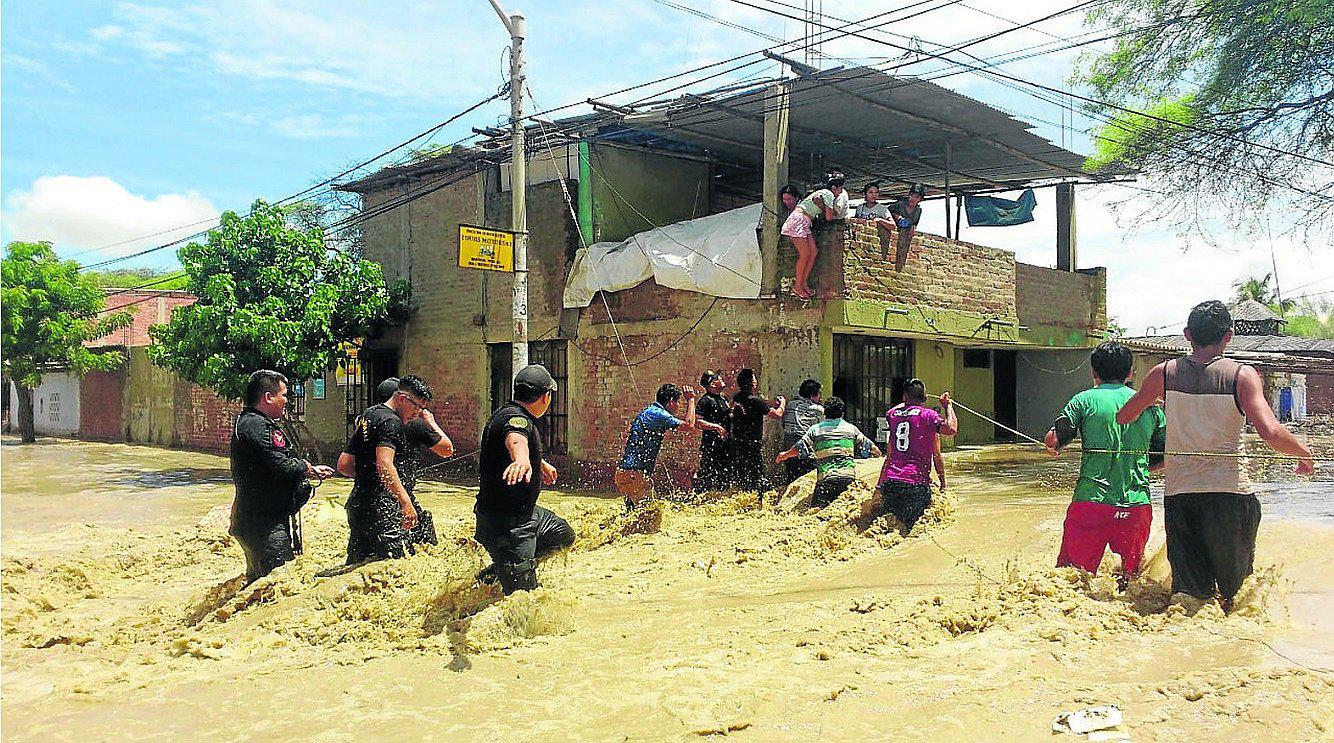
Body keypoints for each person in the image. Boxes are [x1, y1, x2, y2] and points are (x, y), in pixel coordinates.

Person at [1117, 301, 1315, 612]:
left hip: (1181, 496)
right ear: (1229, 336)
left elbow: (1125, 416)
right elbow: (1271, 432)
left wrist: (1159, 403)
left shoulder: (1164, 374)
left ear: (1186, 335)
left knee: (1189, 599)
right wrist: (1303, 452)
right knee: (1237, 598)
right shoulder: (1242, 376)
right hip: (1230, 497)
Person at [1044, 342, 1165, 587]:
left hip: (1090, 504)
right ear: (1131, 373)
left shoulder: (1083, 400)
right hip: (1136, 506)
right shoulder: (1150, 405)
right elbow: (1164, 457)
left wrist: (1050, 444)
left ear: (1094, 372)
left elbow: (1054, 441)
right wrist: (1136, 465)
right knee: (1131, 584)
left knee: (1071, 582)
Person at [475, 364, 575, 594]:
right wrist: (521, 460)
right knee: (524, 600)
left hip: (526, 515)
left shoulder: (505, 413)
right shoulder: (517, 420)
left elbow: (510, 444)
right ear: (545, 396)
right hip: (509, 527)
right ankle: (510, 569)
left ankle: (502, 570)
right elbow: (515, 439)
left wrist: (538, 462)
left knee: (563, 535)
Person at [229, 370, 334, 583]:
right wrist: (305, 466)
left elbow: (271, 465)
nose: (286, 400)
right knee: (279, 586)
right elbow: (281, 466)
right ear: (268, 397)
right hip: (264, 525)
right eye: (284, 395)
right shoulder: (258, 426)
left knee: (260, 586)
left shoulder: (248, 422)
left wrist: (310, 470)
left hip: (256, 520)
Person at [338, 377, 454, 548]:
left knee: (362, 565)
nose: (418, 412)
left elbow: (344, 465)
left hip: (358, 504)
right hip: (387, 507)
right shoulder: (394, 423)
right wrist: (405, 503)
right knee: (399, 566)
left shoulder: (368, 416)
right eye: (417, 406)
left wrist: (369, 477)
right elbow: (385, 463)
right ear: (401, 398)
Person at [615, 384, 725, 508]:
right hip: (635, 475)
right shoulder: (660, 414)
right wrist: (691, 399)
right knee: (649, 517)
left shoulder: (648, 412)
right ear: (671, 401)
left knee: (633, 515)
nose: (678, 406)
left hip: (624, 473)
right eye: (678, 402)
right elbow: (689, 426)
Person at [878, 379, 958, 533]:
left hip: (890, 484)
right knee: (912, 530)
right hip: (914, 485)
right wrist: (948, 406)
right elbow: (951, 429)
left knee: (888, 526)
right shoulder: (928, 417)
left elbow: (888, 458)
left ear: (904, 397)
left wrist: (879, 486)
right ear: (925, 398)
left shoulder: (893, 416)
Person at [776, 396, 881, 508]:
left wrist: (785, 454)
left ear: (825, 412)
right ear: (842, 413)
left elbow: (800, 447)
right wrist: (879, 454)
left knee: (817, 515)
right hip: (848, 480)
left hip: (827, 480)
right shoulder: (851, 429)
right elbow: (870, 446)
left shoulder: (816, 429)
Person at [780, 173, 847, 299]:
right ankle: (797, 286)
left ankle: (803, 282)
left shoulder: (824, 193)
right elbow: (828, 217)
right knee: (805, 254)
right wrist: (833, 211)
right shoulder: (828, 194)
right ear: (834, 188)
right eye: (840, 188)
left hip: (804, 221)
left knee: (813, 252)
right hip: (799, 220)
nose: (841, 191)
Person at [731, 368, 786, 492]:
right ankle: (757, 498)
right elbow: (777, 415)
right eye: (754, 378)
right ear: (752, 383)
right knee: (756, 475)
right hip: (752, 444)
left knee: (742, 475)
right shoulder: (755, 400)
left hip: (738, 443)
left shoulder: (737, 398)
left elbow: (757, 407)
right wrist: (783, 403)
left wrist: (767, 404)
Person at [692, 370, 733, 493]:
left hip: (725, 445)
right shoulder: (705, 400)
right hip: (711, 446)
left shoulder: (723, 397)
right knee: (707, 477)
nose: (722, 379)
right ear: (713, 384)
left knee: (724, 476)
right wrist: (717, 427)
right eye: (718, 378)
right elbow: (697, 422)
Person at [780, 379, 824, 484]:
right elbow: (823, 431)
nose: (820, 397)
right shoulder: (818, 409)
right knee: (809, 482)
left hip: (788, 450)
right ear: (813, 395)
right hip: (806, 451)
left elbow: (783, 424)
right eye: (819, 394)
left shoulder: (790, 405)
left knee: (792, 481)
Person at [887, 183, 926, 272]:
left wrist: (913, 227)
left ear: (920, 199)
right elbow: (886, 212)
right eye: (912, 195)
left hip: (905, 237)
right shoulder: (900, 205)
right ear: (909, 195)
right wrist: (896, 217)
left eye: (916, 197)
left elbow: (915, 223)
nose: (913, 199)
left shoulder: (918, 211)